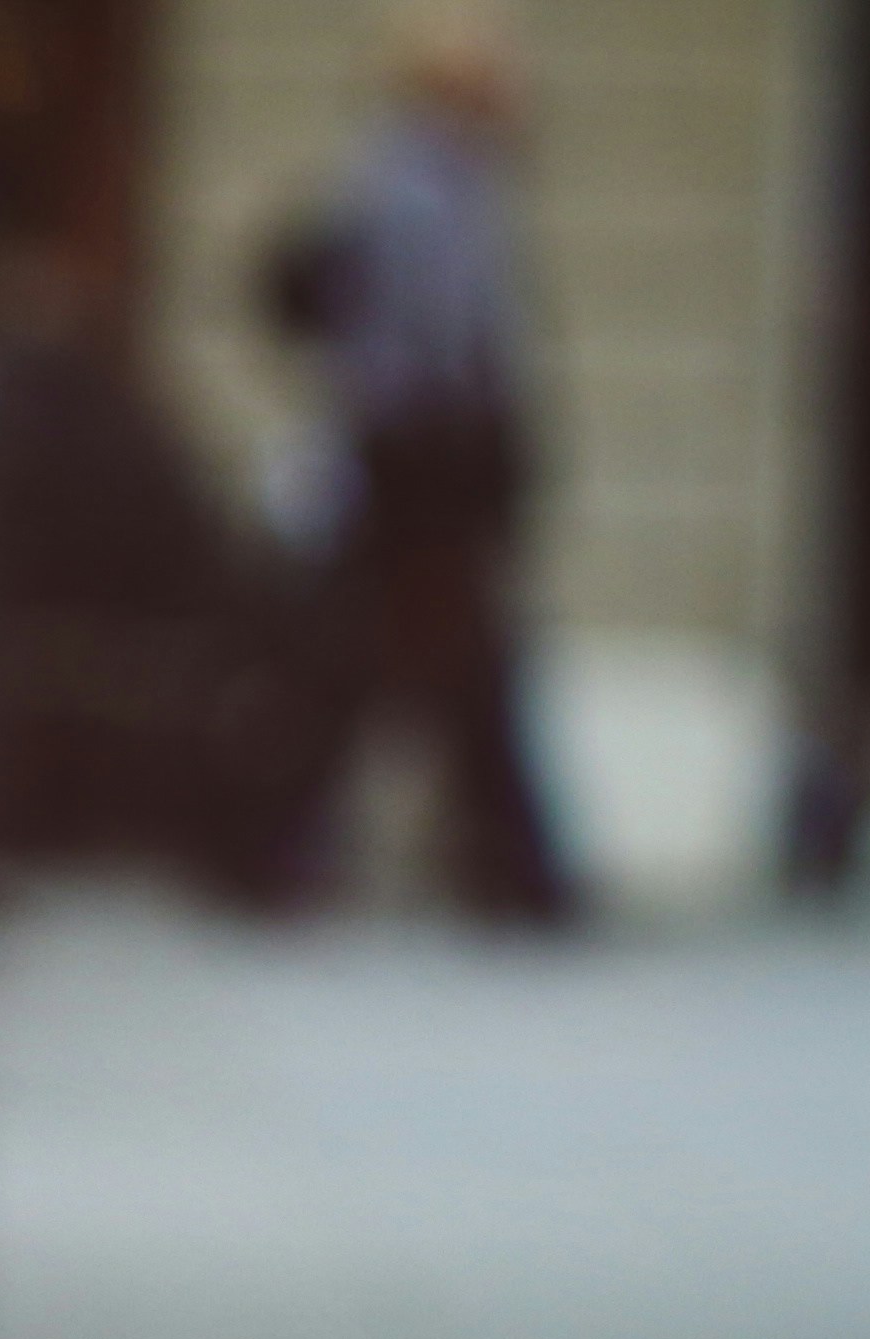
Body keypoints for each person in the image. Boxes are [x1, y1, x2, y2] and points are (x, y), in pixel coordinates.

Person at [266, 12, 581, 923]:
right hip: (419, 469)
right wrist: (471, 457)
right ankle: (515, 874)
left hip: (416, 466)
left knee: (379, 668)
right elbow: (437, 347)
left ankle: (296, 854)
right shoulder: (418, 186)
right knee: (415, 669)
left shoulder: (435, 180)